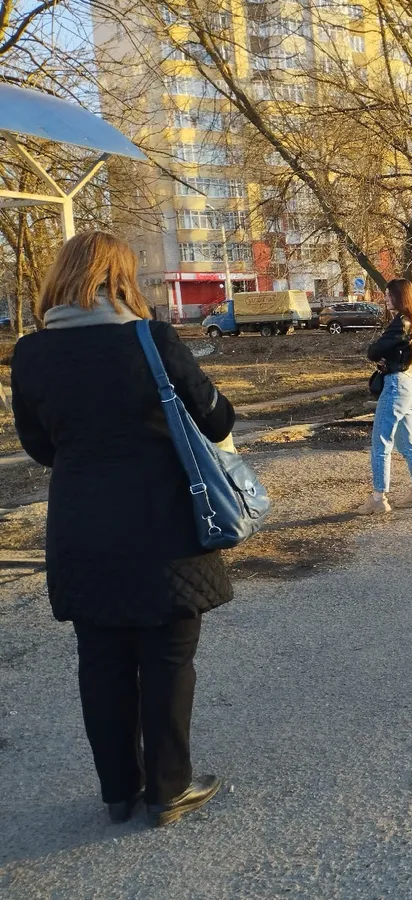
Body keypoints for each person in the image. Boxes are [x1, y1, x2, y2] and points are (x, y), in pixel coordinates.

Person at [10, 232, 232, 827]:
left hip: (82, 530)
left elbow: (38, 446)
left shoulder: (30, 355)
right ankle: (167, 789)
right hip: (166, 532)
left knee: (101, 661)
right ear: (120, 278)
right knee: (167, 659)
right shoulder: (150, 340)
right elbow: (217, 420)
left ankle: (118, 792)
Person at [357, 278, 412, 515]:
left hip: (395, 386)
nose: (386, 299)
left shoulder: (400, 322)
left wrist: (380, 356)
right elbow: (393, 352)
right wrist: (386, 358)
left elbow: (375, 350)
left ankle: (379, 497)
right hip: (408, 383)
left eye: (389, 295)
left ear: (400, 297)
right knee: (407, 443)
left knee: (381, 442)